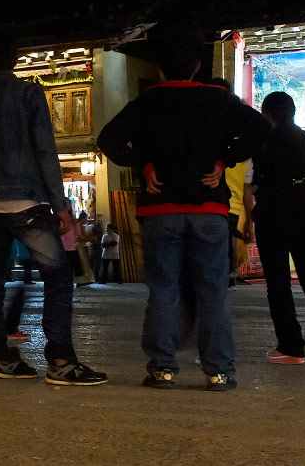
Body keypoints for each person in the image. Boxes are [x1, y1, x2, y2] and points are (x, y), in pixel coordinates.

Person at [0, 34, 108, 386]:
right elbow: (44, 149)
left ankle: (2, 358)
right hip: (28, 203)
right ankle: (60, 360)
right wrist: (60, 203)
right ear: (15, 59)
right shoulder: (29, 94)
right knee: (57, 278)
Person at [98, 29, 268, 391]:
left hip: (160, 211)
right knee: (212, 294)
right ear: (196, 66)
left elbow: (108, 139)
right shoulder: (218, 99)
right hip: (208, 210)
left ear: (160, 68)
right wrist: (224, 160)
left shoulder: (147, 101)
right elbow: (259, 129)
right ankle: (218, 372)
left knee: (162, 291)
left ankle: (162, 368)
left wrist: (144, 166)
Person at [250, 91, 305, 365]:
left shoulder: (264, 141)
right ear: (293, 112)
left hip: (273, 218)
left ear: (267, 114)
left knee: (278, 284)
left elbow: (258, 180)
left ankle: (292, 347)